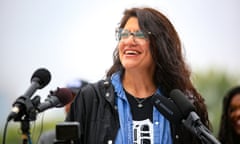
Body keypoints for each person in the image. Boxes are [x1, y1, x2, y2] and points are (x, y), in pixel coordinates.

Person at [66, 7, 210, 144]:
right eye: (124, 34)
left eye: (140, 34)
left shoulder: (182, 106)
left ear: (160, 44)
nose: (129, 41)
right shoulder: (91, 98)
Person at [37, 79, 88, 144]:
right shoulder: (48, 139)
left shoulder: (99, 136)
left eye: (76, 99)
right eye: (68, 99)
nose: (70, 104)